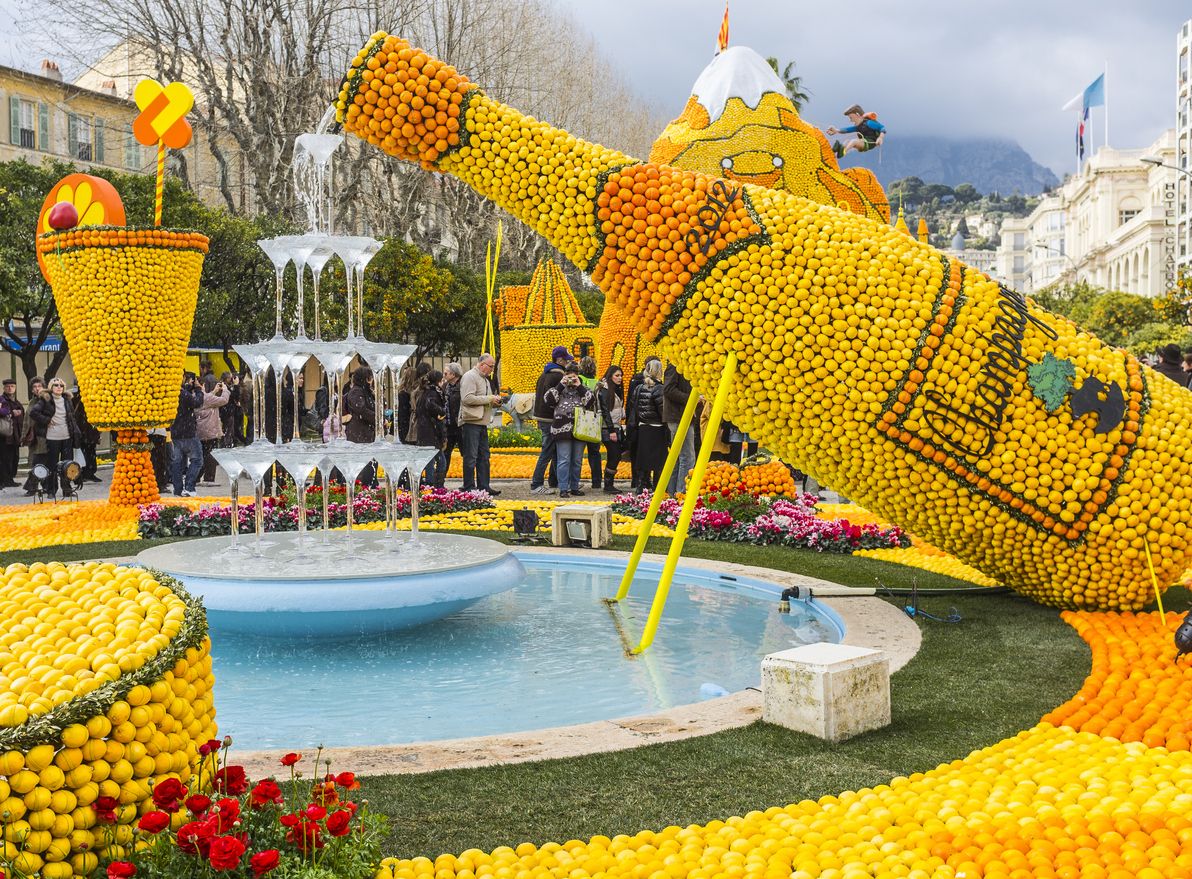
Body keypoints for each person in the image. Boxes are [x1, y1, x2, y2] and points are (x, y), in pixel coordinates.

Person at [543, 361, 597, 498]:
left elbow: (591, 401)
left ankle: (574, 487)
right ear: (565, 375)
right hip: (562, 429)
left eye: (575, 377)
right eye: (569, 377)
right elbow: (548, 400)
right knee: (564, 459)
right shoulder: (559, 389)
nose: (572, 380)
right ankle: (563, 488)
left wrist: (580, 387)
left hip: (580, 429)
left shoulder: (583, 388)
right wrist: (561, 384)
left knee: (577, 460)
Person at [28, 378, 81, 499]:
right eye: (56, 385)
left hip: (67, 436)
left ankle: (67, 489)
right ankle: (51, 490)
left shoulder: (67, 400)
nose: (59, 387)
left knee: (68, 465)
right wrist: (47, 420)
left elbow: (71, 417)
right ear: (51, 387)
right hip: (52, 437)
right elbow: (34, 413)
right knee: (52, 465)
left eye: (61, 385)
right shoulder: (45, 399)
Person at [459, 354, 503, 495]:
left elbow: (483, 399)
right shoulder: (470, 376)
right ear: (482, 364)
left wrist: (494, 401)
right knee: (471, 456)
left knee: (484, 455)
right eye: (491, 366)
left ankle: (484, 486)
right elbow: (467, 398)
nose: (492, 369)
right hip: (471, 422)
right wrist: (489, 398)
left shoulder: (484, 379)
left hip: (481, 422)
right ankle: (469, 486)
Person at [530, 345, 571, 494]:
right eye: (566, 360)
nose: (568, 363)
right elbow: (555, 398)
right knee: (547, 451)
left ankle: (558, 481)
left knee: (554, 451)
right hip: (550, 418)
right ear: (560, 360)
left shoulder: (544, 374)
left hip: (542, 416)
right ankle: (536, 484)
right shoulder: (558, 376)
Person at [632, 359, 668, 493]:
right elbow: (662, 410)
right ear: (659, 371)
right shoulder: (659, 388)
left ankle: (641, 486)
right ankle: (658, 487)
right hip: (657, 428)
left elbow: (634, 406)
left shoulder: (639, 387)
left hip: (643, 427)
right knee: (658, 460)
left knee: (643, 459)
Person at [625, 356, 659, 491]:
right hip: (653, 424)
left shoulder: (636, 382)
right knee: (655, 455)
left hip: (639, 424)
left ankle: (639, 481)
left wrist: (630, 422)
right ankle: (650, 483)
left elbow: (630, 404)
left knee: (640, 454)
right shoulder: (657, 386)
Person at [663, 364, 698, 494]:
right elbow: (668, 389)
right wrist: (691, 398)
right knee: (687, 457)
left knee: (678, 457)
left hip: (681, 416)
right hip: (678, 417)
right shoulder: (675, 365)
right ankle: (681, 493)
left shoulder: (683, 365)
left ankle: (673, 493)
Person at [170, 373, 206, 497]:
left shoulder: (170, 394)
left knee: (177, 463)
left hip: (175, 433)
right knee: (197, 460)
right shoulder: (183, 394)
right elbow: (197, 403)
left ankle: (178, 489)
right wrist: (198, 389)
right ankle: (189, 487)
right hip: (188, 433)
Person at [342, 365, 377, 487]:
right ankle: (363, 489)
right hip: (359, 434)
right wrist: (377, 417)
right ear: (365, 378)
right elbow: (361, 409)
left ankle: (369, 488)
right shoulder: (357, 391)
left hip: (366, 434)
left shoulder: (365, 391)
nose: (372, 381)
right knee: (364, 467)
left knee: (370, 465)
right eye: (370, 378)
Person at [196, 375, 230, 487]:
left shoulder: (199, 396)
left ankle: (196, 477)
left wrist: (214, 391)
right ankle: (209, 478)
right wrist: (225, 390)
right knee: (210, 455)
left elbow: (208, 399)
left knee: (202, 455)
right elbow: (224, 400)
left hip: (201, 432)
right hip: (210, 432)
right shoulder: (207, 398)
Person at [415, 369, 447, 486]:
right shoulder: (433, 393)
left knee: (430, 460)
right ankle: (435, 485)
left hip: (425, 431)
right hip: (431, 431)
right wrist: (442, 411)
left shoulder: (425, 392)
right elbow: (432, 406)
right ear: (438, 381)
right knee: (440, 461)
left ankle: (431, 485)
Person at [598, 365, 625, 493]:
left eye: (621, 375)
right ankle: (608, 485)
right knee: (615, 455)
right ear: (610, 376)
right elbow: (605, 412)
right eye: (617, 375)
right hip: (608, 428)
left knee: (615, 455)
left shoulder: (615, 389)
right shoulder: (604, 390)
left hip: (615, 426)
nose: (620, 378)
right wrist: (611, 431)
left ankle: (609, 484)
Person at [578, 356, 604, 490]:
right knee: (594, 452)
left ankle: (574, 480)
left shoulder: (579, 380)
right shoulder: (598, 382)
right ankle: (597, 481)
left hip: (582, 419)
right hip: (594, 420)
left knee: (578, 452)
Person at [20, 377, 46, 495]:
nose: (37, 389)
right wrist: (24, 436)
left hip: (44, 436)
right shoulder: (32, 402)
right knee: (34, 462)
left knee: (42, 462)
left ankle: (37, 486)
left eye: (39, 386)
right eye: (34, 387)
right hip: (33, 437)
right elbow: (26, 420)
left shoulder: (46, 401)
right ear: (31, 390)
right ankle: (34, 486)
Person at [70, 388, 102, 483]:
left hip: (90, 430)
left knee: (91, 451)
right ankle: (82, 474)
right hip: (80, 430)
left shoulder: (93, 398)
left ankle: (90, 472)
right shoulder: (75, 399)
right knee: (81, 452)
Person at [441, 363, 463, 486]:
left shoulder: (463, 386)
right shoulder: (445, 386)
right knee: (445, 453)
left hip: (460, 425)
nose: (444, 375)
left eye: (446, 373)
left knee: (466, 453)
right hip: (448, 426)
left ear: (453, 374)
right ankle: (440, 482)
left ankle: (468, 483)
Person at [0, 378, 25, 488]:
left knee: (14, 459)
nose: (10, 388)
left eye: (12, 386)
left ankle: (9, 479)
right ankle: (4, 480)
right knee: (4, 459)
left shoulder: (16, 401)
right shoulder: (2, 400)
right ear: (4, 388)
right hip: (4, 436)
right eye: (8, 386)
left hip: (15, 436)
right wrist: (11, 413)